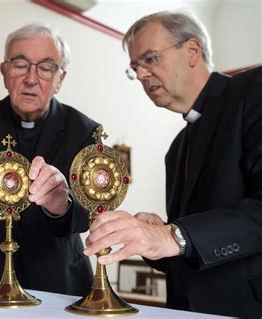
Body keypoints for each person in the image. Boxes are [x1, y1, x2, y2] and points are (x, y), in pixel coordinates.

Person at [83, 11, 262, 318]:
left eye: (150, 59)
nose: (141, 75)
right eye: (135, 67)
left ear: (192, 51)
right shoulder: (177, 148)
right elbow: (190, 252)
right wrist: (155, 237)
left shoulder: (253, 89)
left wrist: (173, 235)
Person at [0, 23, 99, 296]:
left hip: (57, 278)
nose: (31, 79)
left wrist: (62, 204)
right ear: (4, 71)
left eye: (46, 68)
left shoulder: (83, 130)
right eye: (20, 64)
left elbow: (92, 206)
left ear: (61, 79)